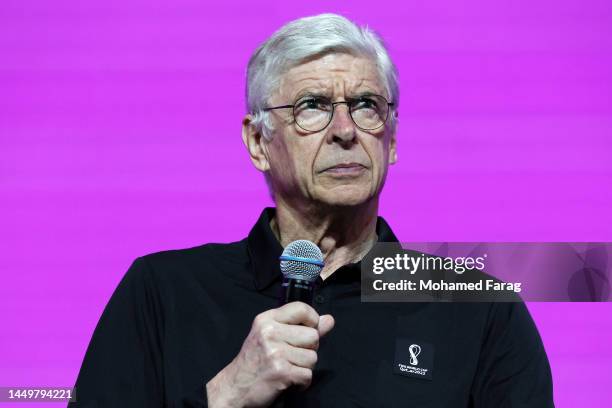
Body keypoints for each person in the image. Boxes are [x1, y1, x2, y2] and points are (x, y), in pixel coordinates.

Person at [69, 13, 554, 407]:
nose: (345, 129)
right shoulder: (163, 293)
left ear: (392, 139)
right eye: (312, 106)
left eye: (366, 104)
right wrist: (226, 395)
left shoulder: (479, 309)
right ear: (258, 142)